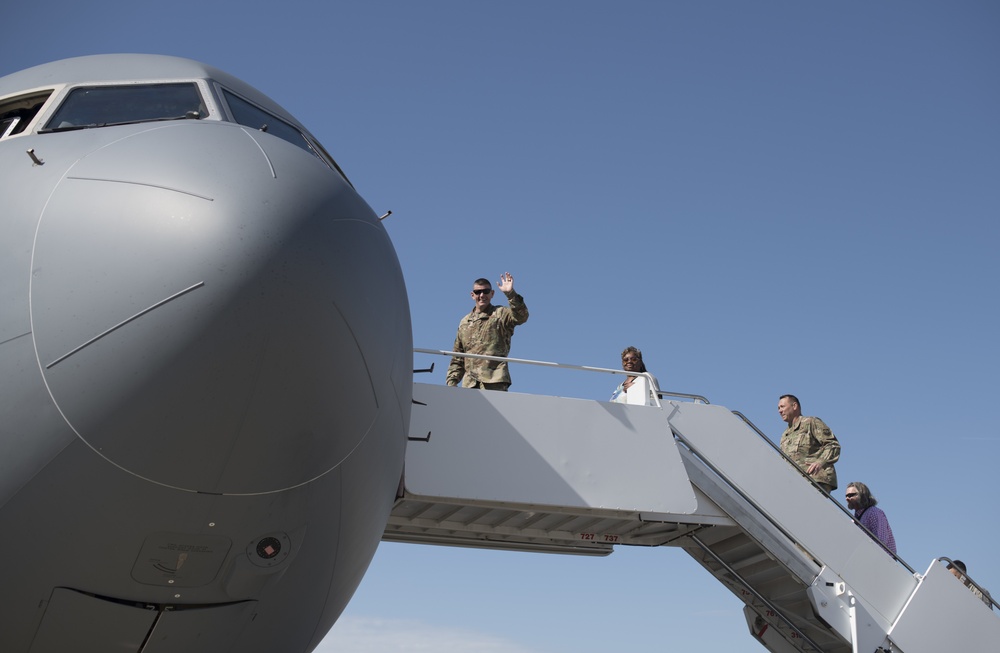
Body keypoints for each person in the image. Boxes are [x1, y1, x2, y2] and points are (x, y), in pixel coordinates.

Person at [445, 272, 528, 391]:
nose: (482, 295)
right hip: (470, 384)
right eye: (478, 292)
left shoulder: (501, 314)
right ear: (472, 295)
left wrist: (510, 294)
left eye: (486, 291)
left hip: (494, 382)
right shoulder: (464, 322)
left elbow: (521, 317)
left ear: (492, 293)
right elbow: (458, 356)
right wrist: (451, 383)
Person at [777, 394, 840, 492]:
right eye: (778, 408)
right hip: (794, 483)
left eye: (782, 407)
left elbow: (833, 445)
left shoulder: (811, 422)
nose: (780, 411)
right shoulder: (785, 435)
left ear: (794, 406)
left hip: (815, 480)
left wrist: (820, 462)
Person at [845, 482, 896, 554]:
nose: (847, 498)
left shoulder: (874, 512)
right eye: (846, 496)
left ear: (862, 495)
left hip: (880, 560)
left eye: (851, 495)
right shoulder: (854, 519)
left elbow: (880, 542)